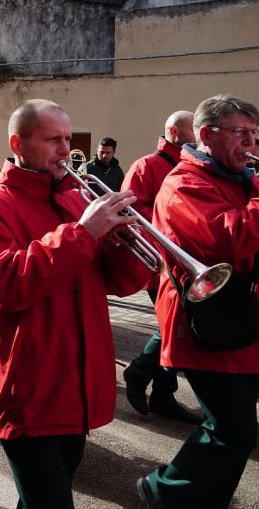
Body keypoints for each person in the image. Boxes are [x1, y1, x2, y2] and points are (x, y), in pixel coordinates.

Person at [0, 99, 150, 508]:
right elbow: (8, 284)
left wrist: (129, 247)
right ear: (18, 143)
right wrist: (83, 234)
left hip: (75, 385)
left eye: (67, 138)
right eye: (53, 139)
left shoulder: (76, 201)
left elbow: (118, 284)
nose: (66, 149)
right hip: (27, 389)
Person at [137, 95, 259, 508]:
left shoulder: (242, 178)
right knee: (234, 428)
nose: (251, 143)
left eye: (254, 134)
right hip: (203, 320)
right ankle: (165, 490)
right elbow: (229, 238)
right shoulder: (183, 183)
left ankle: (203, 497)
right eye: (241, 132)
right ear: (206, 135)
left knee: (233, 427)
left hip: (241, 318)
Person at [121, 110, 202, 424]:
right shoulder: (147, 165)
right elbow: (132, 211)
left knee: (177, 328)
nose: (196, 134)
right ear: (173, 130)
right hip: (163, 264)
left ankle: (163, 394)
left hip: (187, 263)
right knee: (173, 327)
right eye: (191, 128)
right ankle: (140, 373)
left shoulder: (190, 165)